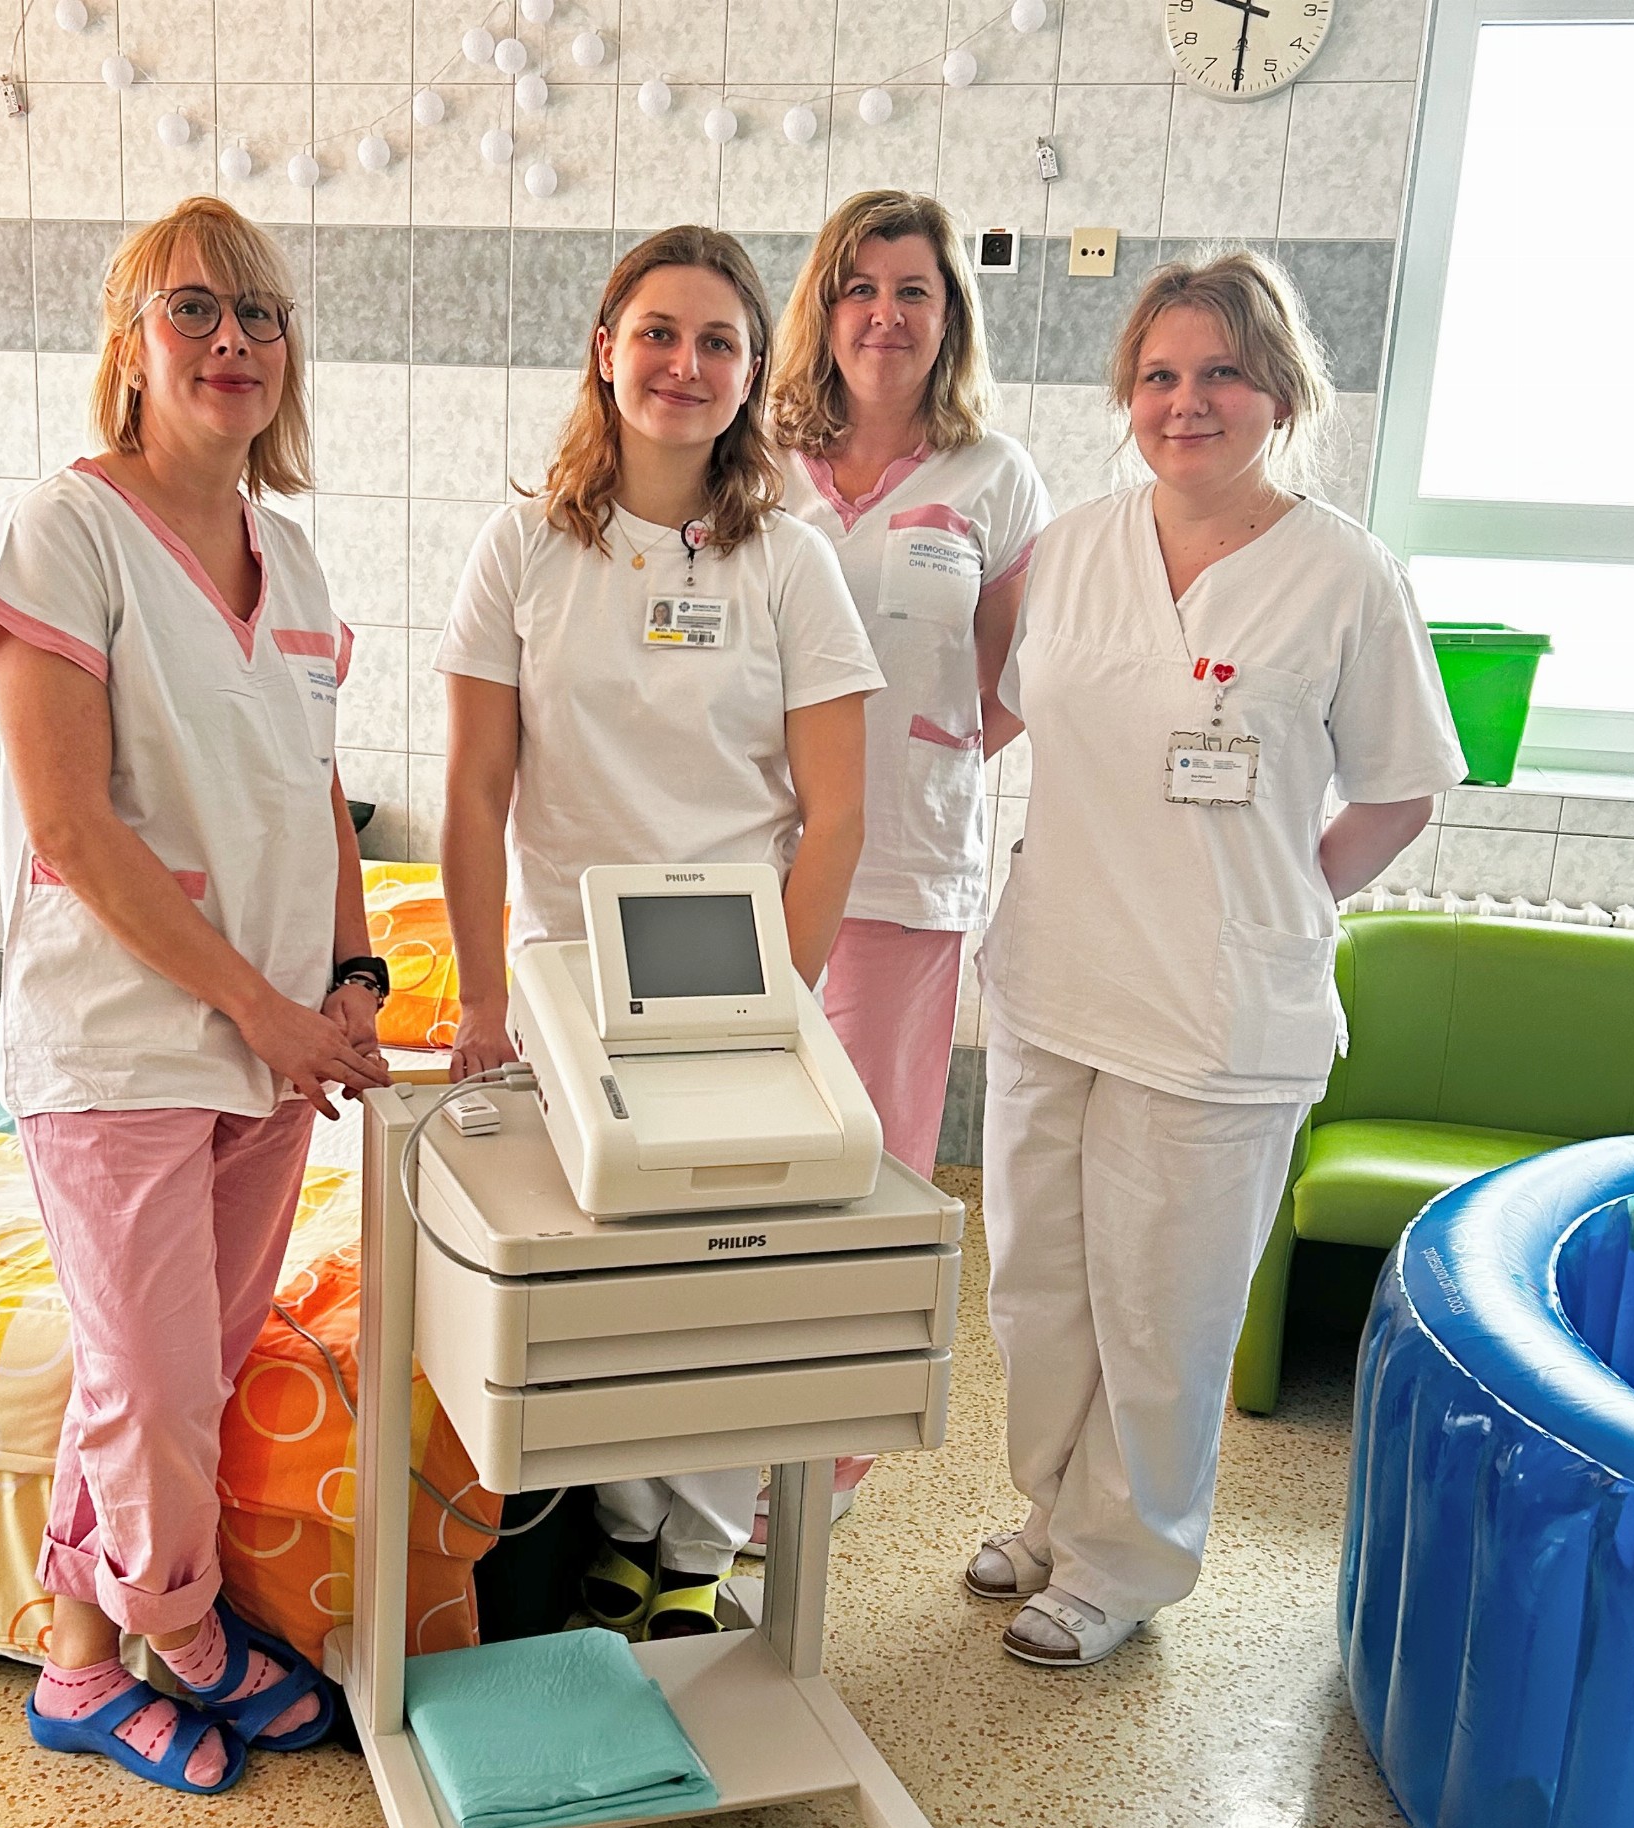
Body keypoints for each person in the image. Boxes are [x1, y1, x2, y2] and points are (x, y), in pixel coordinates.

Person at [965, 250, 1467, 1667]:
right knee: (1040, 1287)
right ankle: (1055, 1512)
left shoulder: (1345, 575)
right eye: (1160, 376)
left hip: (1217, 1014)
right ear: (1129, 398)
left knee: (1163, 1308)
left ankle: (1122, 1564)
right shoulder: (1073, 550)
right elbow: (1016, 713)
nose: (1187, 402)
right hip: (1056, 978)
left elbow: (1402, 789)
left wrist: (1278, 900)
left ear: (1281, 393)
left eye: (1223, 372)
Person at [0, 197, 391, 1791]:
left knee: (180, 1377)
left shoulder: (296, 561)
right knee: (147, 1383)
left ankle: (84, 1662)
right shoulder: (66, 532)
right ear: (132, 344)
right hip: (121, 1038)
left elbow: (319, 790)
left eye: (260, 314)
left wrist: (350, 976)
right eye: (195, 310)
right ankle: (182, 1629)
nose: (232, 341)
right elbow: (72, 825)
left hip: (268, 1044)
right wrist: (267, 1012)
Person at [436, 225, 883, 1641]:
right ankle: (621, 1534)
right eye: (658, 333)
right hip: (569, 975)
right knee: (602, 1266)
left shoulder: (790, 563)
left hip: (736, 974)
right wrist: (481, 996)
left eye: (717, 342)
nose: (684, 365)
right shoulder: (522, 546)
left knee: (727, 1276)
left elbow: (838, 812)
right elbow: (475, 788)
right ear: (606, 351)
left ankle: (693, 1552)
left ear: (752, 374)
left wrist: (777, 1005)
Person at [767, 190, 1052, 1546]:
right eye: (861, 288)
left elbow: (1013, 676)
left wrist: (929, 747)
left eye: (914, 290)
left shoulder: (993, 474)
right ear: (824, 310)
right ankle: (720, 1439)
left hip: (902, 862)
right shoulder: (762, 456)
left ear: (951, 316)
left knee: (874, 1159)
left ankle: (823, 1464)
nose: (886, 314)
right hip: (753, 856)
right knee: (743, 1152)